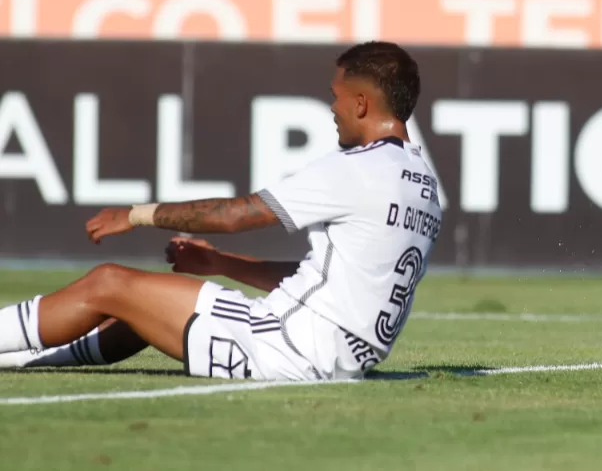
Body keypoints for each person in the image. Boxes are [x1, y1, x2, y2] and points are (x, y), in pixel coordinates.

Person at [0, 42, 442, 381]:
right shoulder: (421, 183)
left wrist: (137, 215)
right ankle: (25, 356)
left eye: (337, 96)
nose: (333, 108)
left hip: (283, 348)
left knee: (110, 283)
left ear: (361, 103)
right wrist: (219, 264)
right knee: (140, 306)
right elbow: (333, 282)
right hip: (332, 356)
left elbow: (236, 214)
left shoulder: (359, 169)